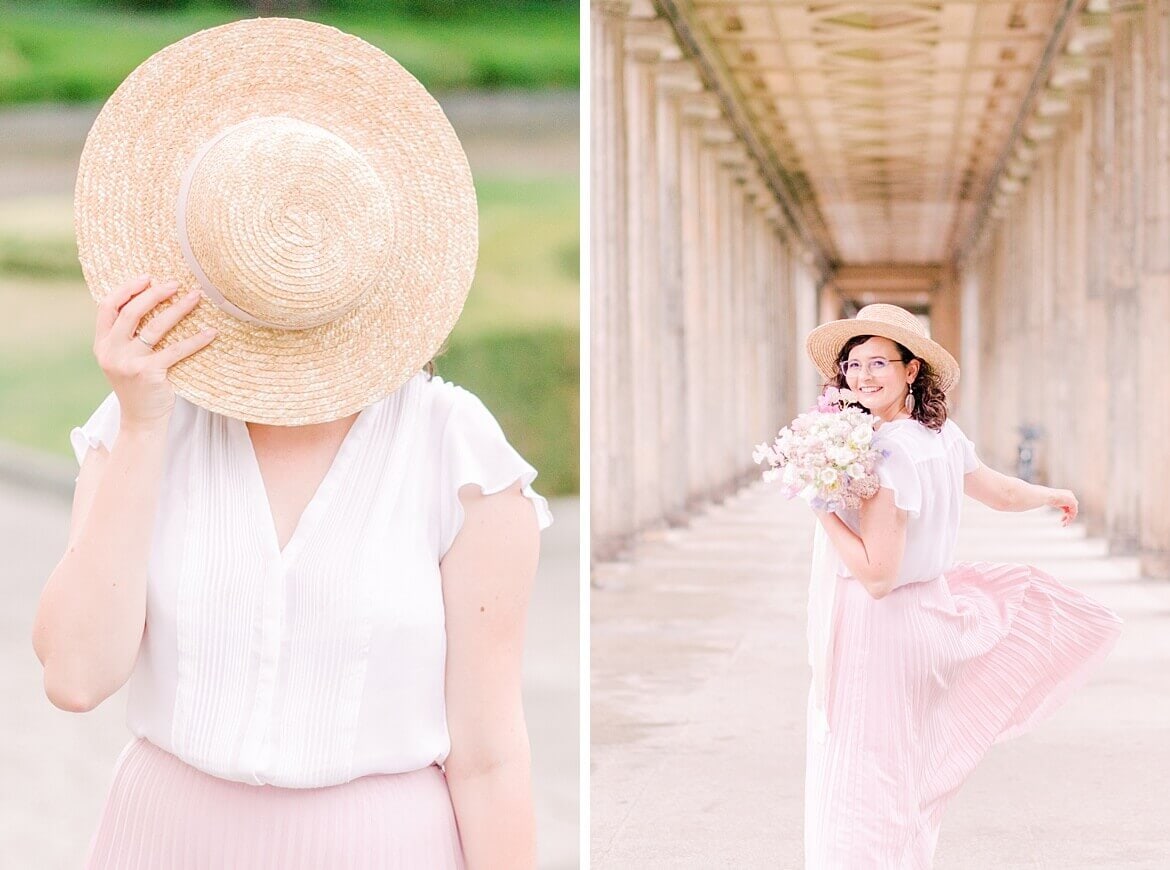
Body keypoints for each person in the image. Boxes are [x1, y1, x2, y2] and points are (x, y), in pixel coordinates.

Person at [30, 18, 552, 869]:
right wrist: (144, 424)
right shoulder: (142, 424)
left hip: (383, 845)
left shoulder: (456, 451)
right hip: (164, 837)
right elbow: (76, 677)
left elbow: (490, 752)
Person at [800, 303, 1122, 868]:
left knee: (864, 780)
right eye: (854, 364)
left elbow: (877, 575)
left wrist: (820, 506)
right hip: (927, 617)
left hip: (882, 629)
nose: (863, 375)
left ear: (912, 370)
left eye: (881, 362)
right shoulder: (940, 435)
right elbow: (997, 492)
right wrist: (1050, 494)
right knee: (902, 774)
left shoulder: (887, 451)